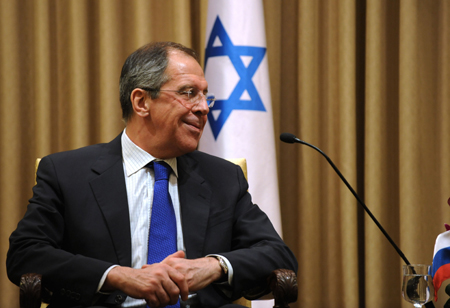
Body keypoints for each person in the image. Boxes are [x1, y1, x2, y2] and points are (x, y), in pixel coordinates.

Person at [7, 41, 297, 308]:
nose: (203, 108)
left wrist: (213, 266)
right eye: (188, 93)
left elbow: (277, 254)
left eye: (205, 95)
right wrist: (118, 276)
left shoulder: (223, 177)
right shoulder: (67, 173)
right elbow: (25, 253)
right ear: (141, 102)